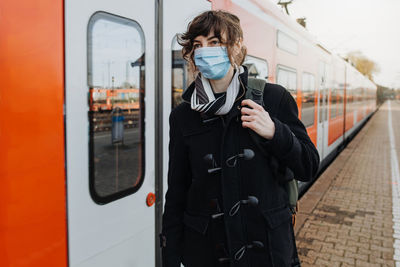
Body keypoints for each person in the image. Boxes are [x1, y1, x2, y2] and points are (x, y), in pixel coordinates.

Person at [161, 10, 320, 267]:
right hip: (205, 252)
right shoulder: (183, 116)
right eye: (197, 45)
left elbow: (309, 165)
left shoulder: (273, 98)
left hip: (267, 250)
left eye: (214, 43)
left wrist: (275, 132)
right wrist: (170, 256)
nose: (204, 51)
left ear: (235, 47)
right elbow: (177, 191)